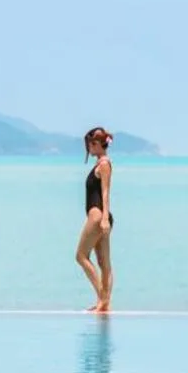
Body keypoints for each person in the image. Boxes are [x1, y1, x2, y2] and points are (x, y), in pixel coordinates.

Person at [76, 127, 115, 312]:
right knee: (103, 263)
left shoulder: (104, 164)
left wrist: (104, 217)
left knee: (81, 256)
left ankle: (102, 298)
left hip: (98, 216)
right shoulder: (100, 164)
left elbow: (106, 192)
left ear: (98, 144)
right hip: (101, 216)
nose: (88, 148)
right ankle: (103, 304)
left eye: (90, 144)